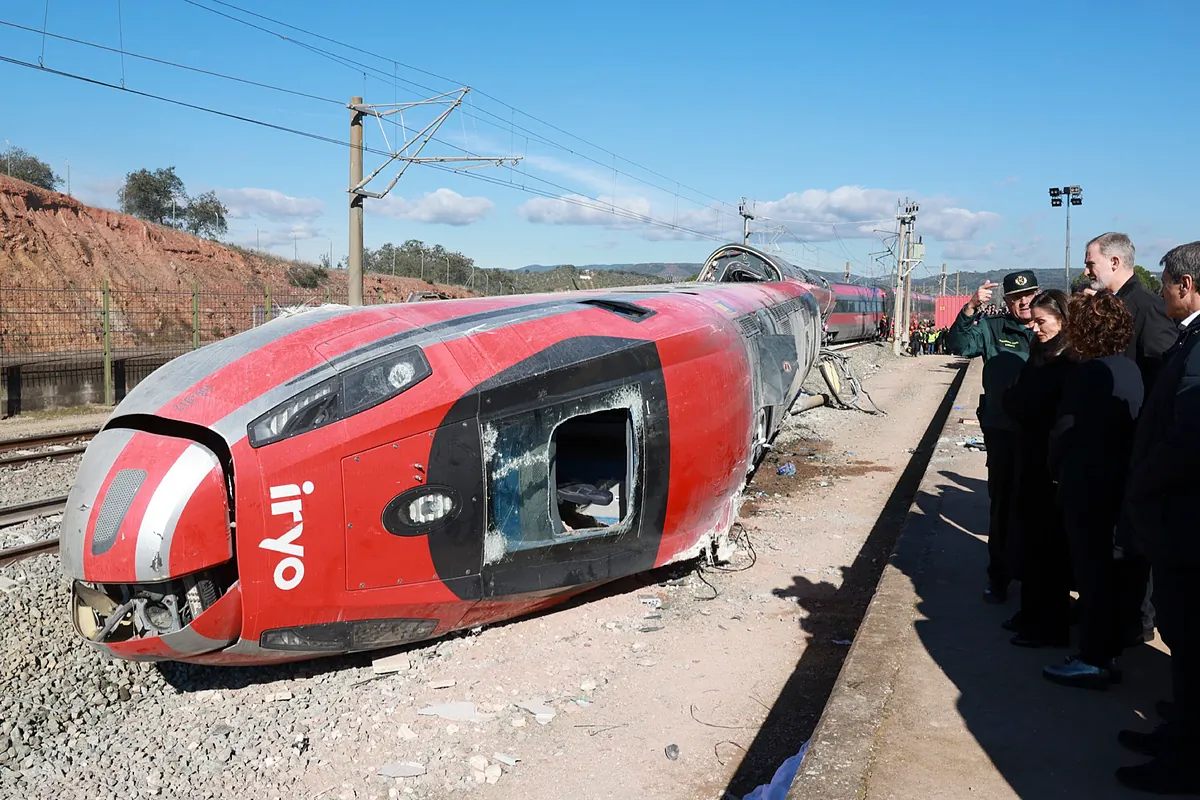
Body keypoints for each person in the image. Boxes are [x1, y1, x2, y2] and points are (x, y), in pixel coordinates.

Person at [1117, 242, 1200, 794]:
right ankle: (1181, 732)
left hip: (1185, 520)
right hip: (1176, 514)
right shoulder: (1191, 337)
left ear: (1186, 286)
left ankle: (1186, 762)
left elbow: (1188, 437)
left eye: (1168, 282)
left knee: (1191, 636)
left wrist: (1141, 483)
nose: (1163, 289)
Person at [1043, 290, 1143, 690]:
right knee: (1114, 575)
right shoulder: (1129, 369)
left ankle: (1093, 659)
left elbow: (1064, 434)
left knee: (1092, 576)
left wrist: (1053, 470)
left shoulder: (1085, 375)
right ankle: (1110, 649)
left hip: (1087, 489)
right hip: (1119, 488)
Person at [1084, 233, 1176, 648]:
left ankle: (1137, 621)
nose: (1087, 271)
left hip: (1132, 441)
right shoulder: (1119, 304)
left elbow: (1161, 375)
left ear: (1116, 263)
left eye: (1092, 264)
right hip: (1115, 441)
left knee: (1132, 542)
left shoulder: (1147, 307)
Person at [946, 271, 1037, 603]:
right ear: (1007, 302)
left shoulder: (1052, 328)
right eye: (1017, 297)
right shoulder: (995, 328)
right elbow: (957, 345)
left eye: (1029, 294)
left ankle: (1034, 580)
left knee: (1037, 511)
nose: (1024, 301)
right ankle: (998, 577)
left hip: (1041, 436)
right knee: (1002, 508)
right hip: (1003, 433)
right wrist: (970, 308)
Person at [1002, 290, 1075, 648]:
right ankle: (1031, 611)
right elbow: (1020, 396)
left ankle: (1048, 622)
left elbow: (1034, 402)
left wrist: (1019, 402)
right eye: (1032, 321)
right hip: (1031, 459)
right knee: (1030, 543)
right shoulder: (1041, 355)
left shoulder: (1069, 361)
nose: (1034, 328)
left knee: (1048, 548)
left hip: (1050, 467)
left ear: (1062, 319)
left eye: (1041, 321)